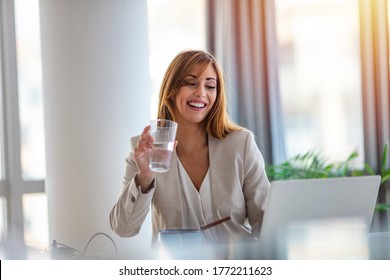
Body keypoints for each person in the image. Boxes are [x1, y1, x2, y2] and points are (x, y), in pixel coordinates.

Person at [110, 50, 270, 246]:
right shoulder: (145, 149)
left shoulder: (241, 144)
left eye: (210, 86)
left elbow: (265, 222)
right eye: (191, 83)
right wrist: (145, 177)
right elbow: (123, 228)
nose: (201, 93)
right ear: (172, 90)